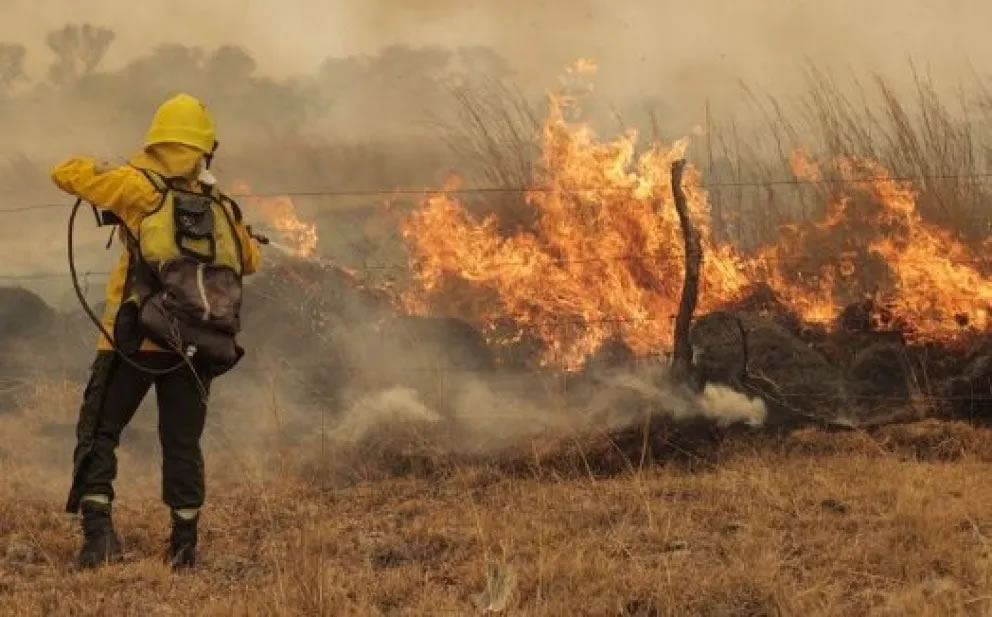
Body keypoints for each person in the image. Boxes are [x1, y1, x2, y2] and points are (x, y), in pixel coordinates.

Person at [51, 93, 262, 570]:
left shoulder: (137, 188)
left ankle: (99, 538)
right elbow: (250, 259)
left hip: (132, 337)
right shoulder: (221, 205)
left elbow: (65, 171)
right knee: (182, 443)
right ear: (205, 149)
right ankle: (184, 546)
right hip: (197, 345)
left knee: (100, 431)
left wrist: (111, 170)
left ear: (157, 142)